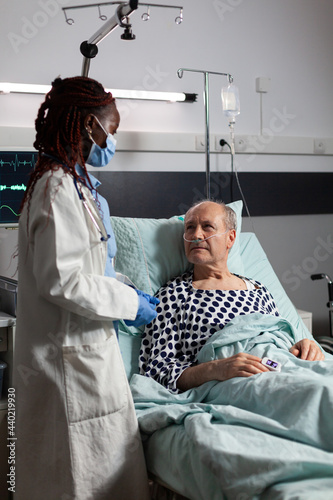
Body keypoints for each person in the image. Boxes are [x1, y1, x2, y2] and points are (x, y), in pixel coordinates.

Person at [14, 76, 159, 500]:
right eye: (110, 131)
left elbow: (87, 265)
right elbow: (63, 279)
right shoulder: (57, 187)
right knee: (76, 475)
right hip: (68, 361)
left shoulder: (69, 184)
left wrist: (122, 286)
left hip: (84, 353)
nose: (111, 141)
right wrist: (129, 303)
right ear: (88, 126)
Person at [139, 200, 325, 393]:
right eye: (190, 228)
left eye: (207, 227)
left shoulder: (259, 289)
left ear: (231, 238)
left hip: (284, 368)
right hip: (241, 386)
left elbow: (278, 338)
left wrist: (302, 345)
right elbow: (155, 372)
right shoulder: (173, 295)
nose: (196, 235)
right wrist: (216, 369)